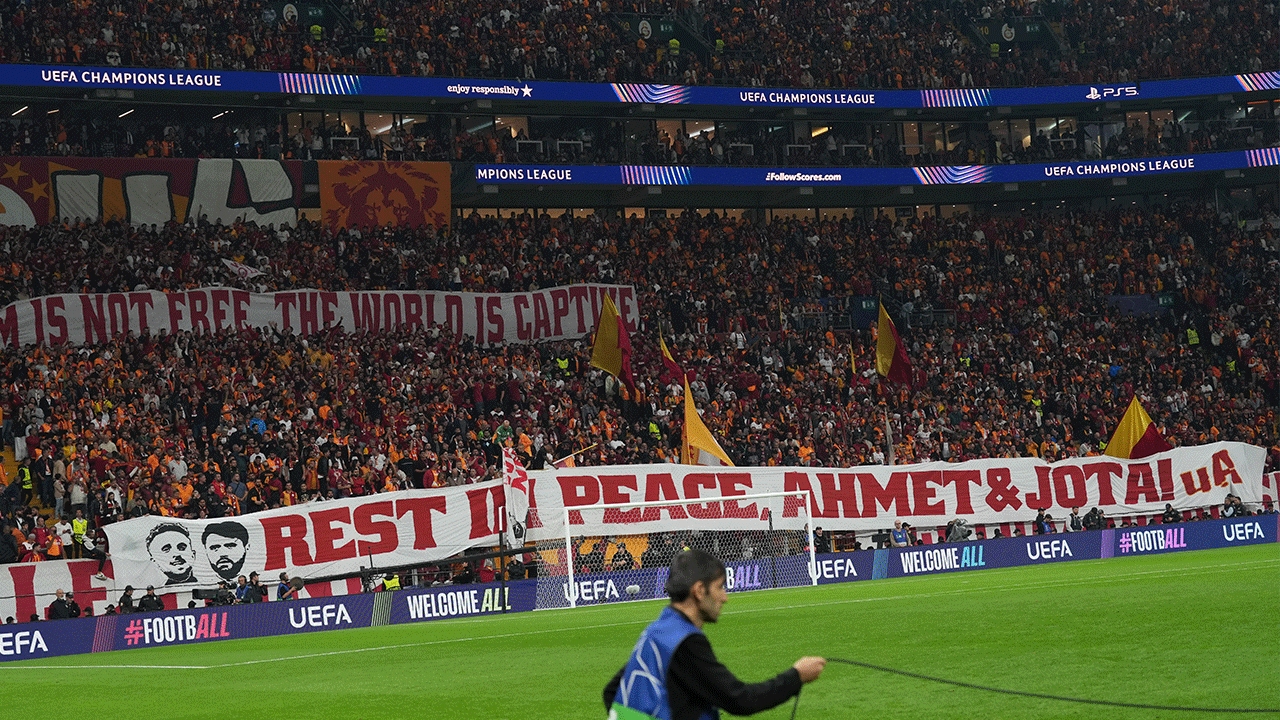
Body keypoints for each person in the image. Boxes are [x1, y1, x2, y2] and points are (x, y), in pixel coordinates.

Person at [603, 549, 825, 720]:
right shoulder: (686, 642)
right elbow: (740, 699)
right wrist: (796, 676)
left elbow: (612, 691)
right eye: (720, 587)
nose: (725, 597)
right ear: (700, 591)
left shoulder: (658, 630)